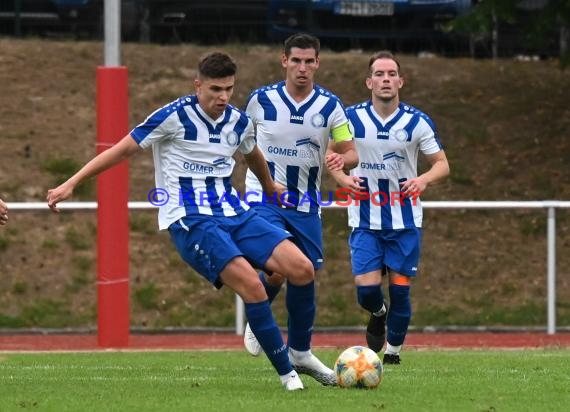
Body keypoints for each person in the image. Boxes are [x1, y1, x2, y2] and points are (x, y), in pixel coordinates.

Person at [46, 52, 334, 391]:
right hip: (190, 217)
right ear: (197, 86)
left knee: (301, 269)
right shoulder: (173, 116)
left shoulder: (238, 121)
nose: (223, 97)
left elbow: (252, 153)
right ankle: (289, 377)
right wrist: (71, 182)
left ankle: (299, 352)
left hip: (232, 211)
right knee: (254, 287)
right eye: (215, 89)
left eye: (228, 89)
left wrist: (270, 189)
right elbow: (122, 149)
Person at [241, 32, 358, 373]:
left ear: (317, 63)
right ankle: (298, 352)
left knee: (299, 272)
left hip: (306, 204)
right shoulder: (260, 100)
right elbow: (242, 143)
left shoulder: (330, 106)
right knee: (287, 264)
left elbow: (349, 150)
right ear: (284, 62)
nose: (302, 68)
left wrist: (341, 161)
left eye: (309, 61)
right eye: (296, 61)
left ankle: (270, 324)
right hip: (262, 197)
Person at [328, 51, 450, 364]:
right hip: (365, 219)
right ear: (369, 81)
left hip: (404, 219)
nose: (385, 79)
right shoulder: (350, 119)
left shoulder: (417, 121)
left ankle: (393, 354)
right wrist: (341, 178)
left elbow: (441, 164)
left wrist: (423, 180)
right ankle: (378, 313)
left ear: (400, 81)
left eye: (391, 73)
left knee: (401, 290)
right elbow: (331, 154)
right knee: (367, 292)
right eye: (379, 74)